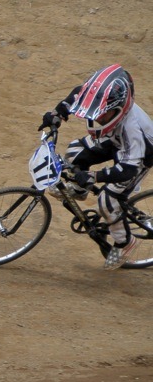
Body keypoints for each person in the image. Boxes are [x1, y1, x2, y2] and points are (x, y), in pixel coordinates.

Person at [38, 65, 153, 269]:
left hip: (137, 158)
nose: (97, 118)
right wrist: (57, 114)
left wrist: (94, 176)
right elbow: (77, 94)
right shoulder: (106, 103)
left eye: (102, 115)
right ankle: (79, 191)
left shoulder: (134, 130)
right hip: (115, 140)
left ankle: (124, 242)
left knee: (107, 200)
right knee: (74, 151)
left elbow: (127, 170)